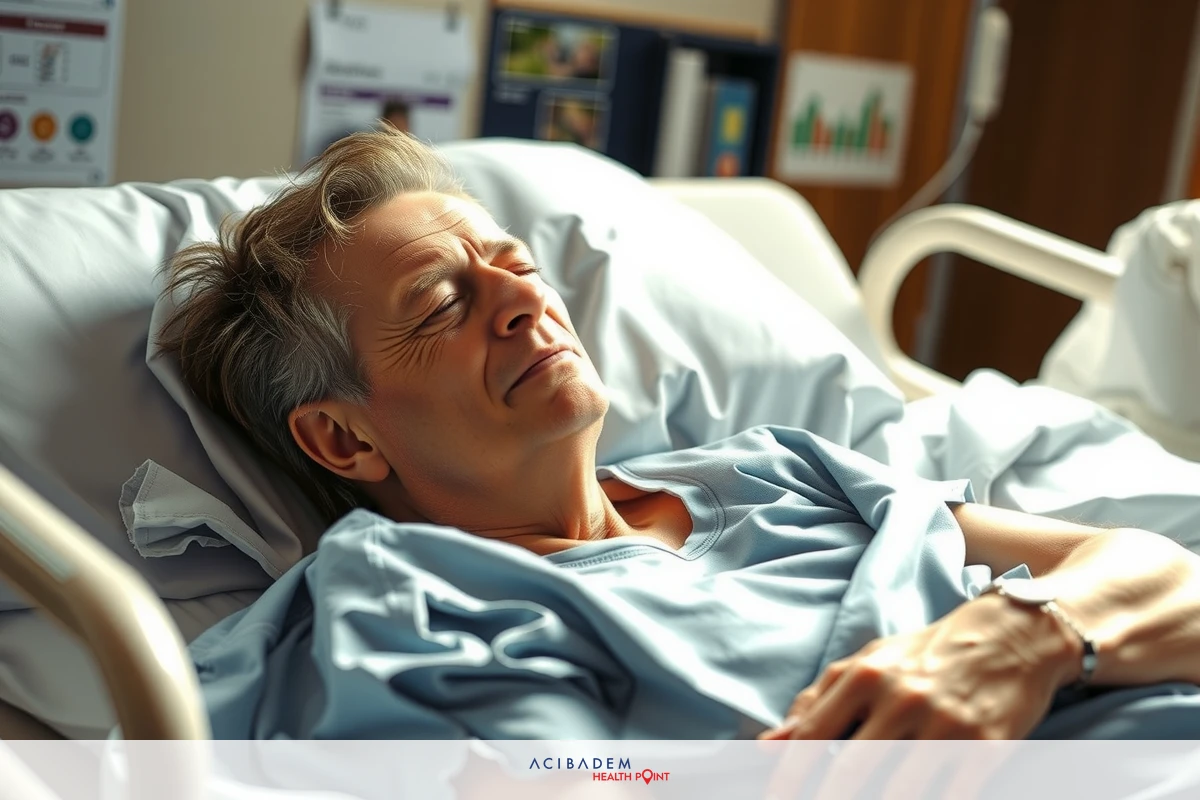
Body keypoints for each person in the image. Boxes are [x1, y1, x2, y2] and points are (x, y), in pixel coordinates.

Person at [156, 128, 1200, 740]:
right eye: (440, 303)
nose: (520, 303)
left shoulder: (777, 466)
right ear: (343, 439)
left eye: (513, 262)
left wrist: (1025, 636)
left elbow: (1165, 578)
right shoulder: (419, 601)